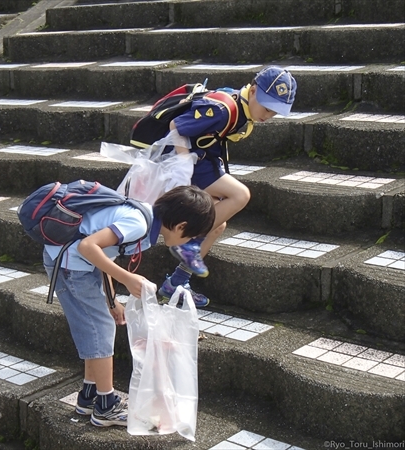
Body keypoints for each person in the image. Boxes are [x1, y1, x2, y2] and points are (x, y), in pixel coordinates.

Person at [43, 185, 216, 427]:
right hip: (71, 266)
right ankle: (106, 406)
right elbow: (88, 247)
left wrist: (112, 299)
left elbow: (104, 253)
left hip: (73, 264)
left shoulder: (144, 220)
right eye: (191, 238)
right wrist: (127, 278)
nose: (188, 245)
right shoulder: (139, 224)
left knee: (98, 329)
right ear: (180, 226)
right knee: (100, 330)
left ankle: (89, 396)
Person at [158, 66, 297, 306]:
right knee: (241, 195)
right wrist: (183, 162)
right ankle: (188, 242)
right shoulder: (224, 109)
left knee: (217, 224)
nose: (267, 115)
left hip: (201, 162)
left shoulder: (240, 107)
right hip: (188, 163)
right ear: (252, 91)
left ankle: (177, 283)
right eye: (266, 107)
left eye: (274, 112)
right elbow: (176, 125)